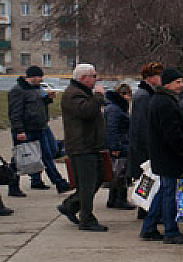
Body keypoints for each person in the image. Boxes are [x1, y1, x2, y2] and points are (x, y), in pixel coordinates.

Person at [58, 64, 108, 231]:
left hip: (90, 145)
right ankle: (86, 218)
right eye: (93, 76)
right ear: (83, 78)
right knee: (87, 184)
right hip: (82, 146)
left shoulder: (82, 93)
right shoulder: (73, 94)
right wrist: (99, 96)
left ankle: (71, 205)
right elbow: (87, 112)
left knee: (98, 178)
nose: (96, 79)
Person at [8, 65, 71, 195]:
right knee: (20, 159)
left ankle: (59, 183)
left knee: (47, 157)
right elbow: (15, 112)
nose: (41, 79)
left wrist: (47, 99)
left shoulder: (37, 89)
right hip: (25, 130)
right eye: (40, 76)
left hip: (39, 129)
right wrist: (19, 131)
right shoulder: (18, 90)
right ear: (32, 77)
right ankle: (13, 185)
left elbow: (36, 105)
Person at [146, 68, 183, 244]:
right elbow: (172, 134)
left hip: (162, 154)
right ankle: (170, 231)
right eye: (177, 82)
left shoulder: (161, 99)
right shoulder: (165, 103)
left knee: (164, 191)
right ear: (167, 84)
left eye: (181, 81)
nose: (181, 85)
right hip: (168, 155)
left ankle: (149, 227)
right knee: (169, 193)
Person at [127, 62, 163, 218]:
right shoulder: (144, 96)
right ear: (150, 78)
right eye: (158, 75)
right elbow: (142, 125)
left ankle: (145, 210)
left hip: (142, 144)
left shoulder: (145, 94)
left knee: (147, 180)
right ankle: (146, 210)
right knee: (148, 179)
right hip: (143, 146)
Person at [104, 82, 136, 209]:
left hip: (119, 143)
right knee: (121, 172)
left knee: (117, 172)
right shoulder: (116, 109)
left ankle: (113, 198)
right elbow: (112, 129)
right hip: (120, 144)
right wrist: (115, 147)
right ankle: (120, 199)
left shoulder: (114, 107)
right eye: (125, 94)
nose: (127, 97)